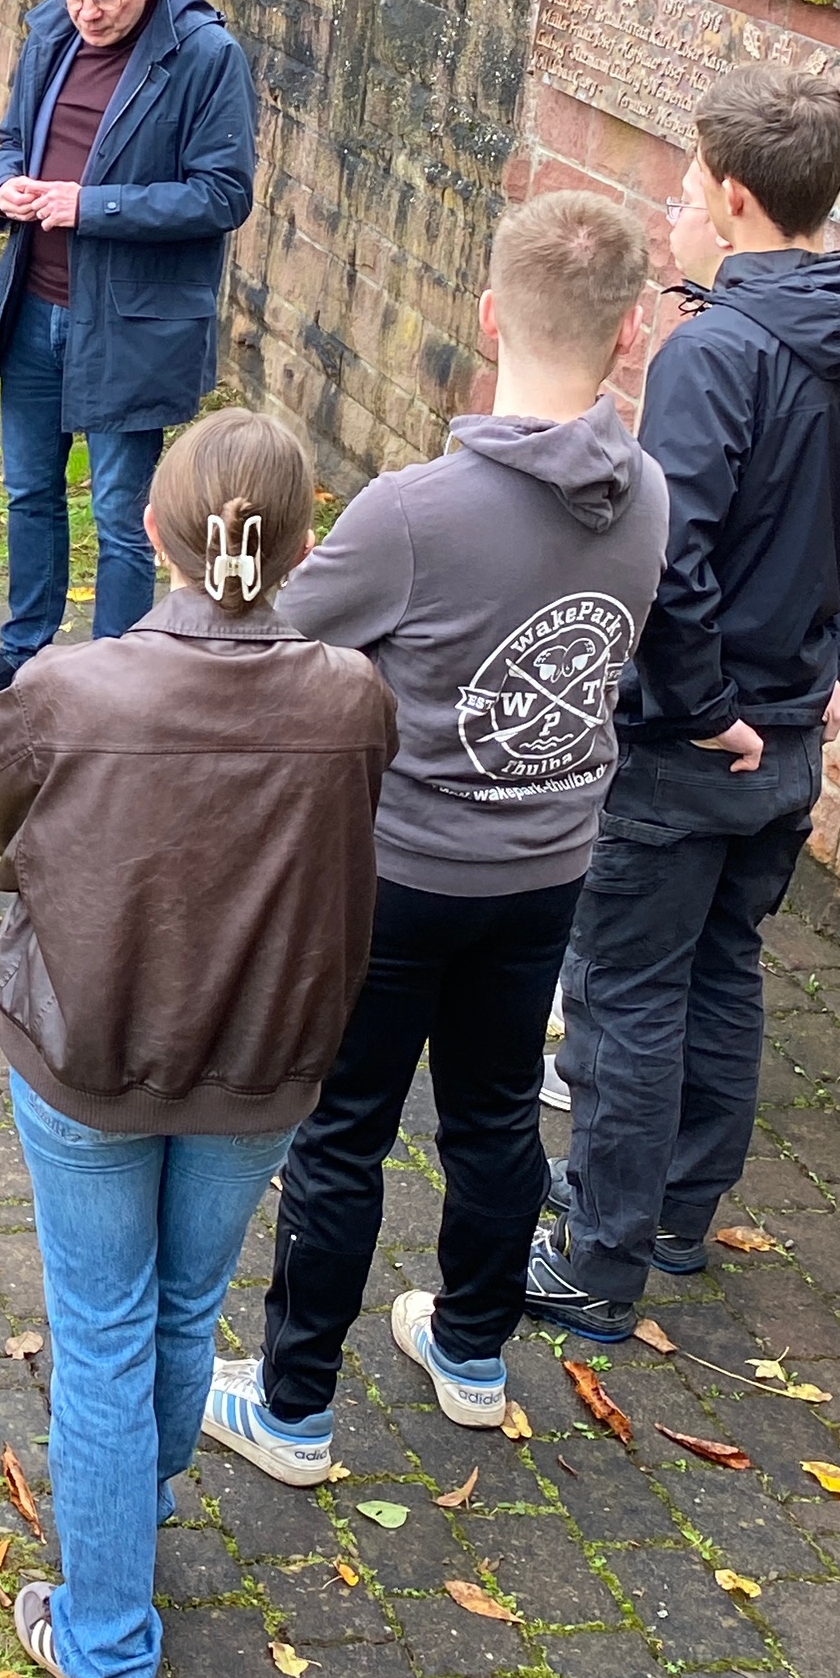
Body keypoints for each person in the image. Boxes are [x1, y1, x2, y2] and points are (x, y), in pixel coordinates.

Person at [201, 195, 667, 1479]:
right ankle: (470, 1354)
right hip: (548, 870)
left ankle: (293, 1410)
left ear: (486, 315)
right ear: (630, 334)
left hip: (400, 879)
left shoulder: (415, 512)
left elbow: (279, 634)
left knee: (345, 1129)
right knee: (497, 1113)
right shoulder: (653, 500)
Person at [0, 409, 396, 1678]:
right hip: (260, 1061)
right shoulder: (352, 701)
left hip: (91, 1049)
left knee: (102, 1332)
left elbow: (2, 808)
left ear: (150, 530)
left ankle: (104, 1638)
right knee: (176, 1312)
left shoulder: (66, 689)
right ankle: (128, 1518)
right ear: (304, 546)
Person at [527, 69, 840, 1343]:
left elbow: (675, 554)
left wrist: (710, 703)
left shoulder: (718, 349)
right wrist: (827, 664)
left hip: (692, 744)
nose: (679, 205)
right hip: (786, 738)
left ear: (742, 198)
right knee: (721, 969)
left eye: (692, 182)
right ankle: (669, 1211)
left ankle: (597, 1259)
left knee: (626, 989)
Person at [0, 0, 258, 711]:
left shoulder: (205, 58)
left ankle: (115, 685)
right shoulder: (50, 33)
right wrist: (3, 185)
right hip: (33, 307)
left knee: (120, 511)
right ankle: (23, 653)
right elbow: (10, 138)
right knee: (28, 492)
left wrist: (93, 207)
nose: (88, 12)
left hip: (130, 325)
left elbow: (223, 195)